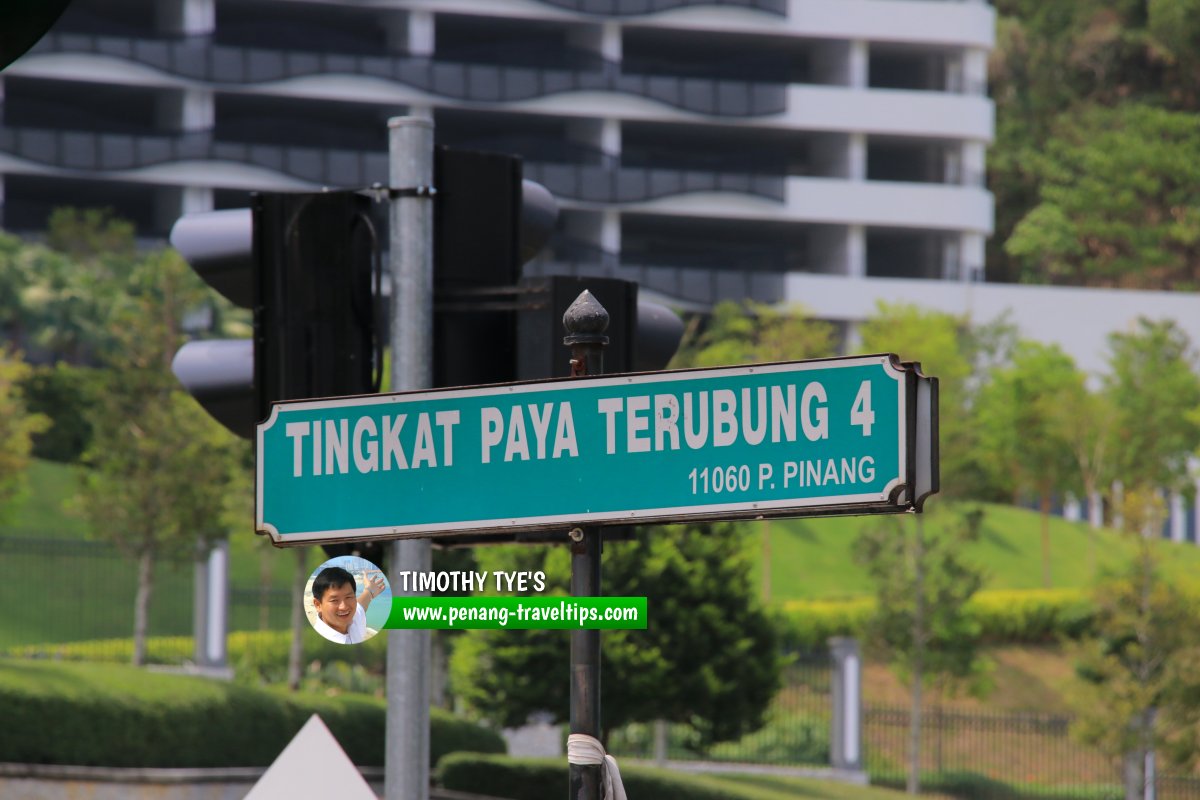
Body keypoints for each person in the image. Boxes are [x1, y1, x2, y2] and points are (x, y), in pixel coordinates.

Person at [310, 565, 386, 644]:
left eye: (348, 597)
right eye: (334, 600)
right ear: (318, 605)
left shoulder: (354, 618)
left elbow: (361, 605)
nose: (344, 607)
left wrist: (369, 590)